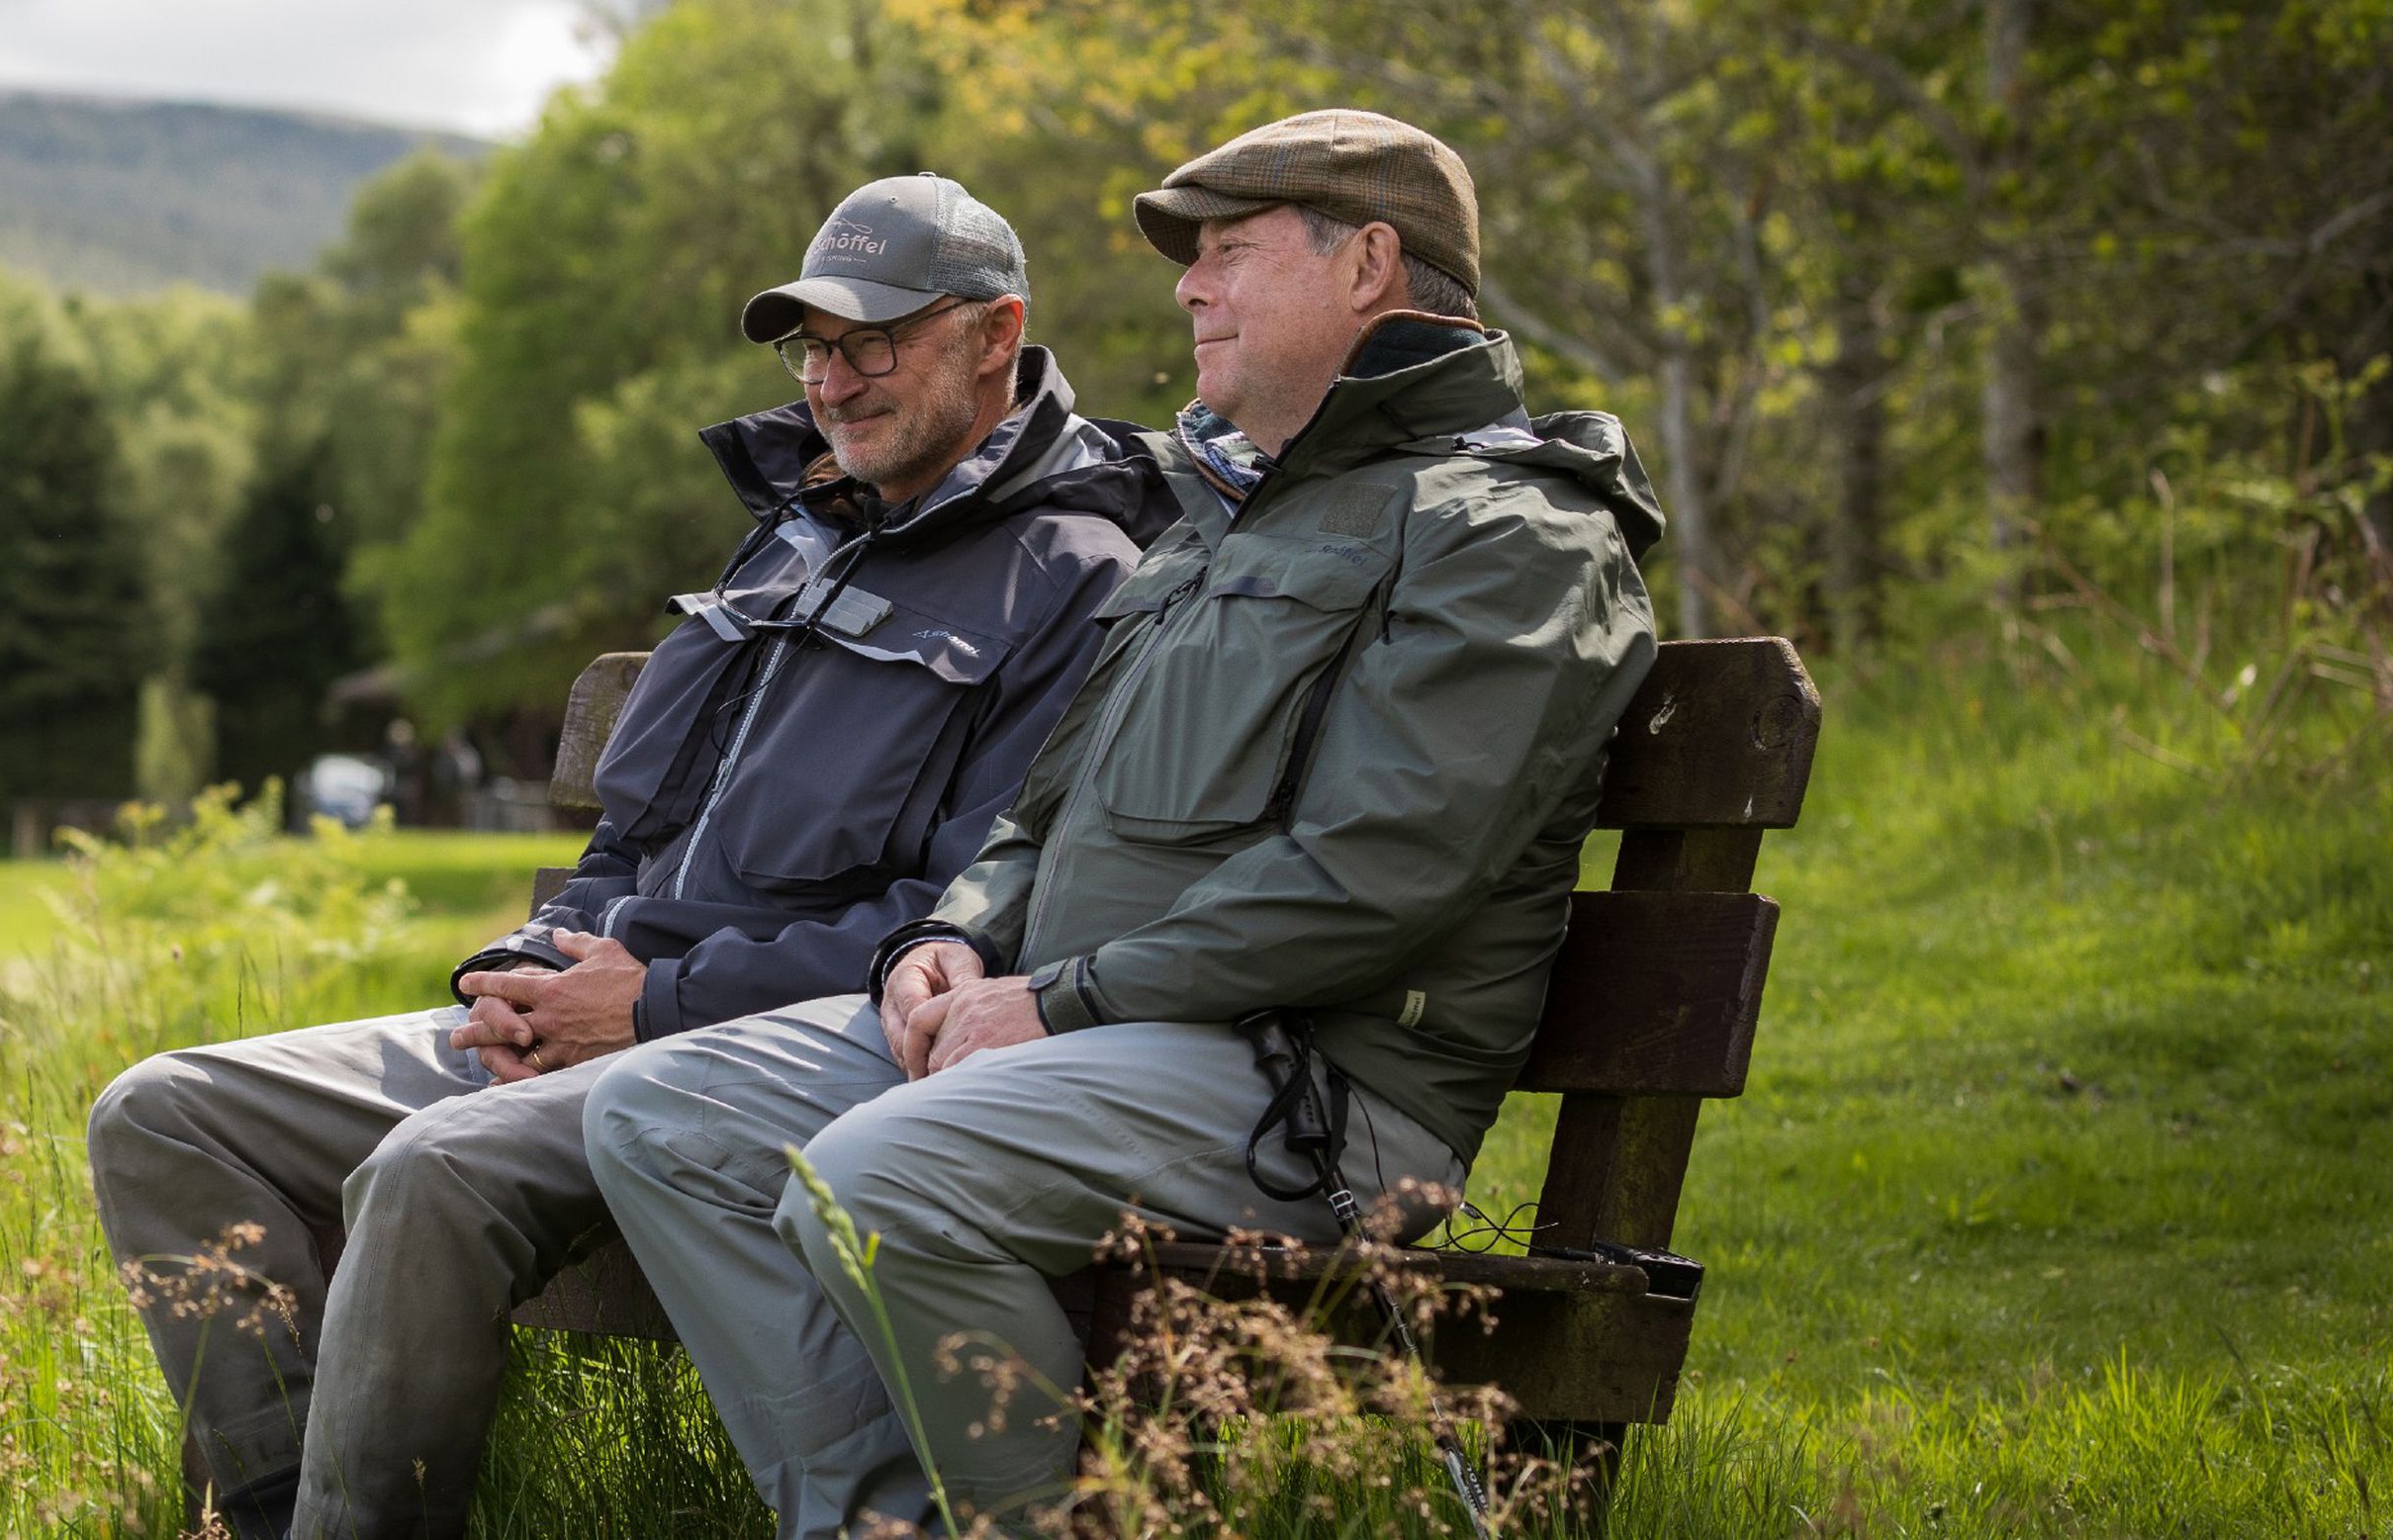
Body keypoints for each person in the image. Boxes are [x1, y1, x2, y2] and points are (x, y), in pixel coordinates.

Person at [583, 109, 1669, 1535]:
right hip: (1098, 1037)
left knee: (881, 1179)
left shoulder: (1507, 531)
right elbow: (1044, 812)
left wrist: (1062, 996)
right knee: (663, 1113)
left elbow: (1377, 874)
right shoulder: (1224, 523)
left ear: (1370, 266)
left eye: (1226, 251)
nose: (1187, 288)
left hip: (1308, 1083)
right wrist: (950, 939)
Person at [86, 173, 1169, 1540]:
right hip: (595, 1018)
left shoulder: (1082, 573)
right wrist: (529, 968)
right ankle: (267, 1508)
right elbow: (634, 837)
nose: (833, 380)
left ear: (993, 336)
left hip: (777, 1049)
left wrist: (652, 1004)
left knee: (431, 1165)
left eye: (874, 341)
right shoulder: (797, 536)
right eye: (812, 347)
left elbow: (969, 917)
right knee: (161, 1108)